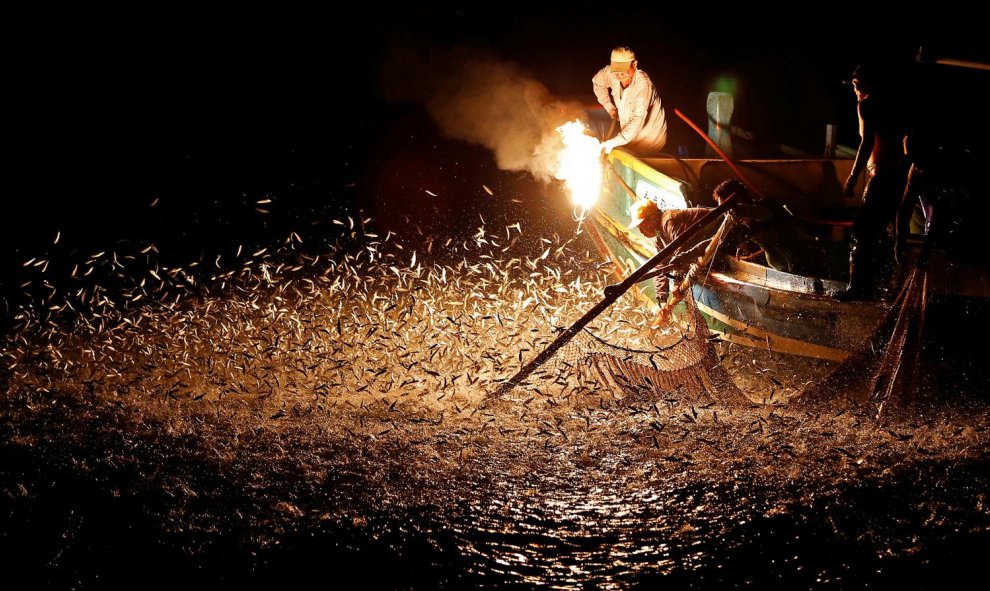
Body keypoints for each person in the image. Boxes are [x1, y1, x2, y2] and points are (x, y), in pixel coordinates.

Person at [839, 64, 909, 300]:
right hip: (899, 175)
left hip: (882, 176)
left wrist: (852, 177)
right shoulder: (896, 105)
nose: (855, 90)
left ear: (869, 84)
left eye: (857, 85)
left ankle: (859, 288)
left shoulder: (867, 105)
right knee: (883, 231)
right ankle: (886, 285)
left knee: (863, 230)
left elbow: (867, 143)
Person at [712, 180, 829, 278]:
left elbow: (762, 214)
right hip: (783, 269)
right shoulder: (742, 225)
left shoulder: (768, 205)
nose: (726, 214)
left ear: (739, 202)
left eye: (727, 209)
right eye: (723, 210)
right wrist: (743, 246)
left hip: (809, 262)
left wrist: (741, 210)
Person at [593, 46, 668, 158]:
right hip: (629, 136)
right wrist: (609, 107)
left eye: (623, 70)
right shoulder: (611, 73)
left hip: (650, 139)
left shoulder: (643, 86)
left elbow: (637, 118)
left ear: (635, 64)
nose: (620, 75)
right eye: (616, 71)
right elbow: (598, 83)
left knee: (639, 166)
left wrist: (613, 142)